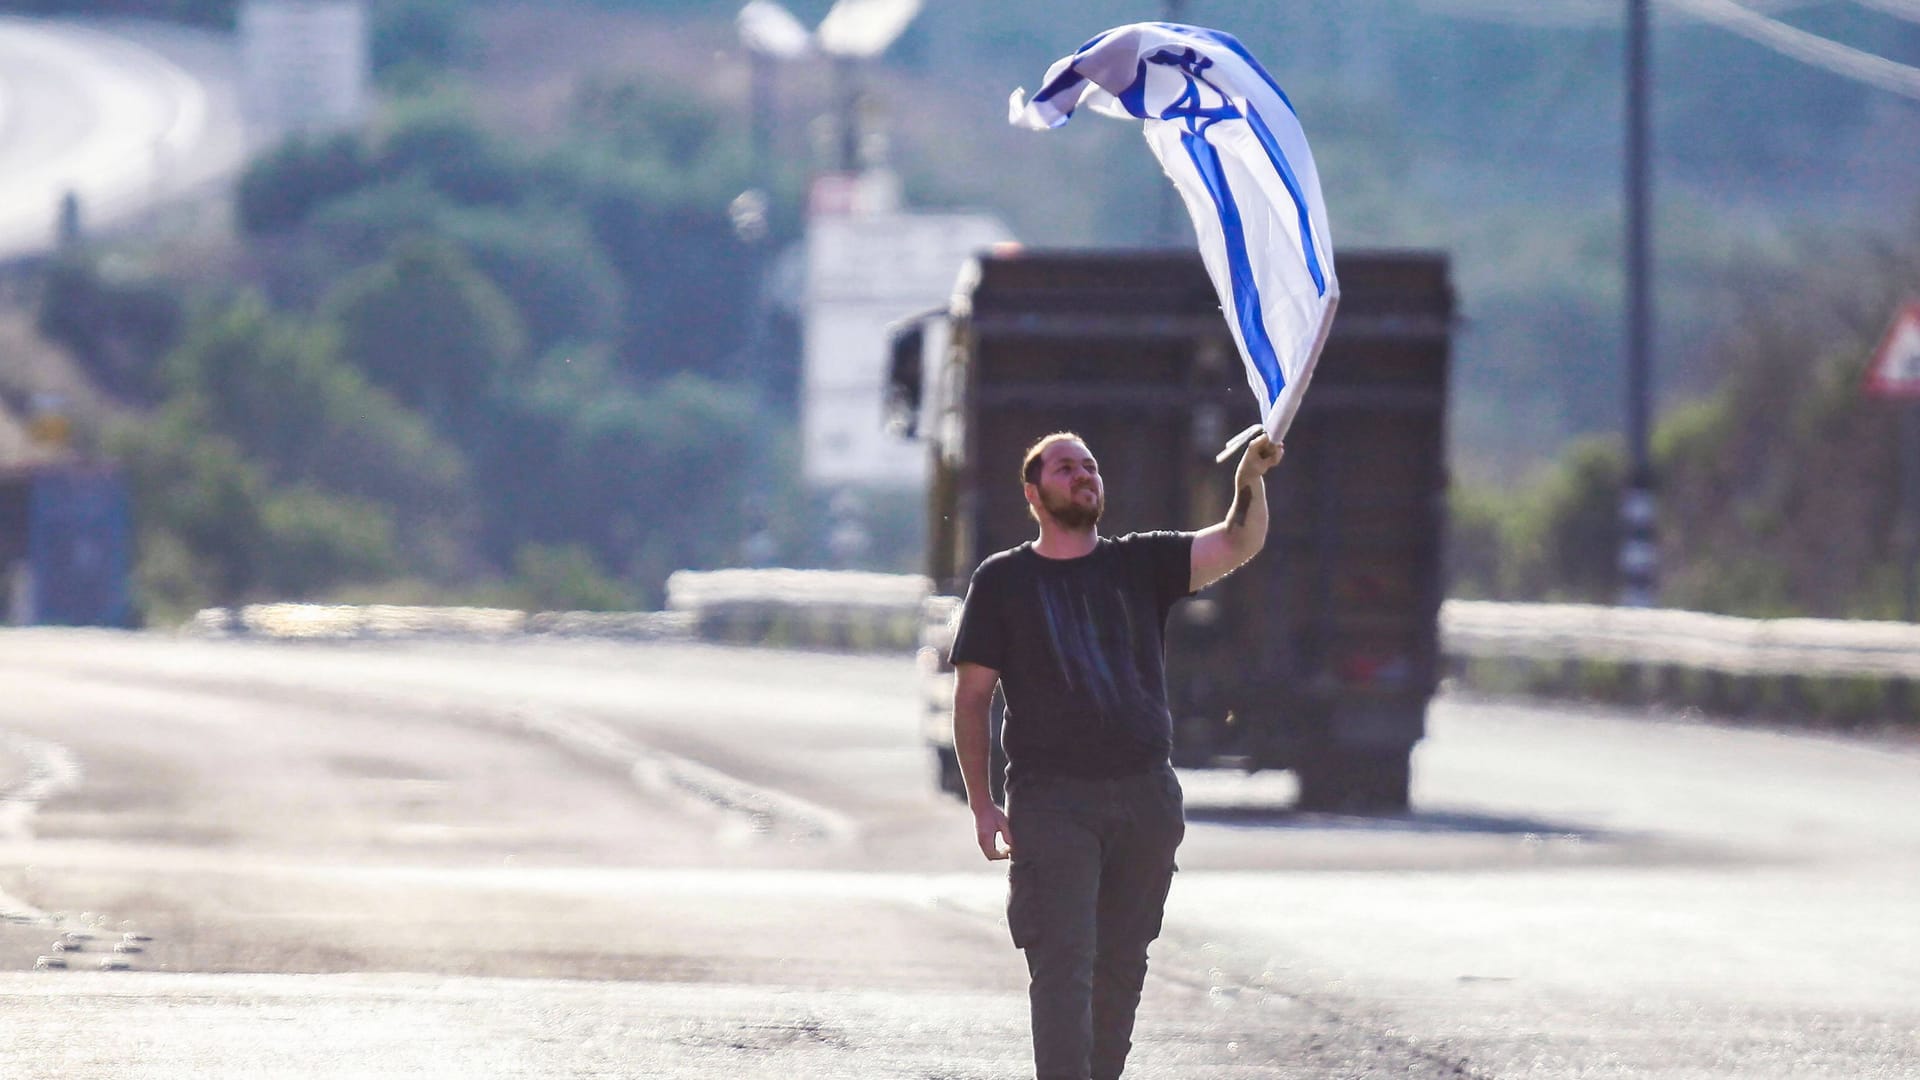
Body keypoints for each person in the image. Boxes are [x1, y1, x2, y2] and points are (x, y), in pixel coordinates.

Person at [948, 429, 1283, 1080]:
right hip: (1054, 799)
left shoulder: (1141, 564)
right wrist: (984, 804)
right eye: (1066, 467)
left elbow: (1238, 541)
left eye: (1091, 466)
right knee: (1064, 960)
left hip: (1145, 797)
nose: (1084, 475)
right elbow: (972, 698)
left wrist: (1250, 480)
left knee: (1121, 964)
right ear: (1034, 493)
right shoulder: (1004, 580)